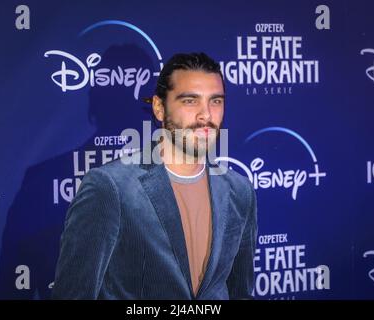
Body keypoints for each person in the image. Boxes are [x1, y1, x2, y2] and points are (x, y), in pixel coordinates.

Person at [52, 52, 258, 300]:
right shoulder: (110, 188)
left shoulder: (239, 191)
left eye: (215, 101)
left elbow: (240, 293)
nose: (206, 115)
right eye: (190, 101)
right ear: (159, 108)